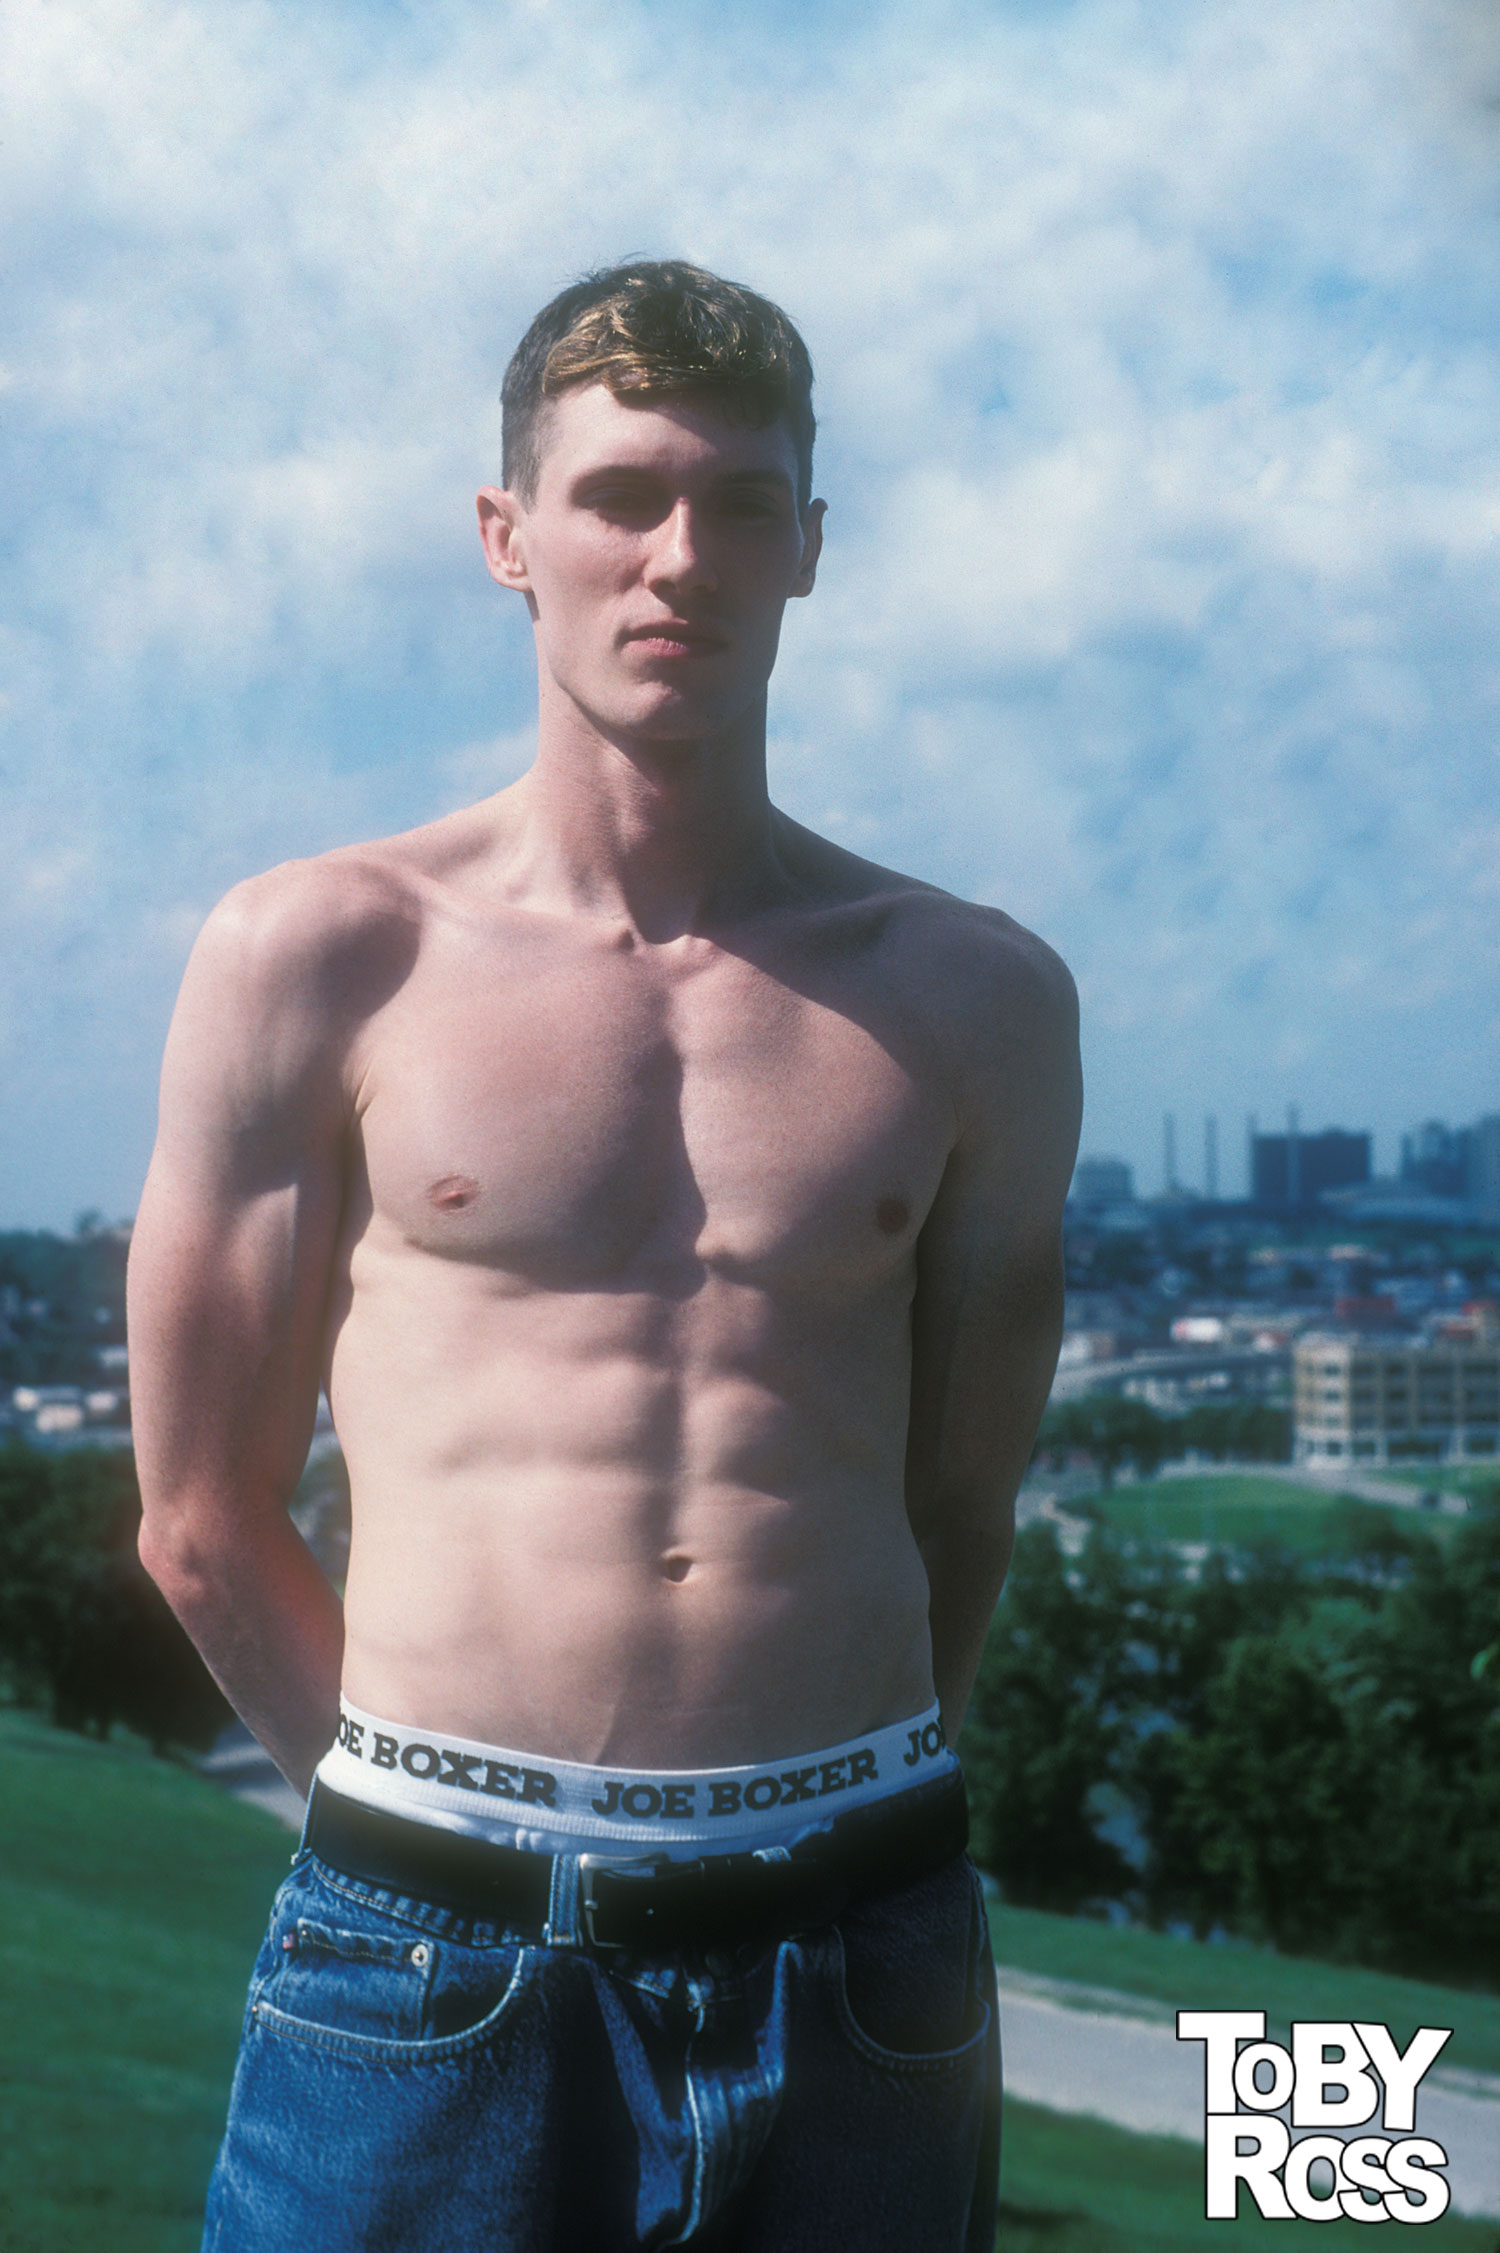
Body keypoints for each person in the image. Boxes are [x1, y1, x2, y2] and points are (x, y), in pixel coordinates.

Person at [128, 259, 1081, 2253]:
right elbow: (200, 1513)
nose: (681, 556)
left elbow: (961, 1500)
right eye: (622, 494)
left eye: (742, 502)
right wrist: (417, 1844)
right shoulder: (322, 956)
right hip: (429, 1954)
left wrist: (850, 1813)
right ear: (509, 535)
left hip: (867, 1950)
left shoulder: (977, 999)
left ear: (809, 545)